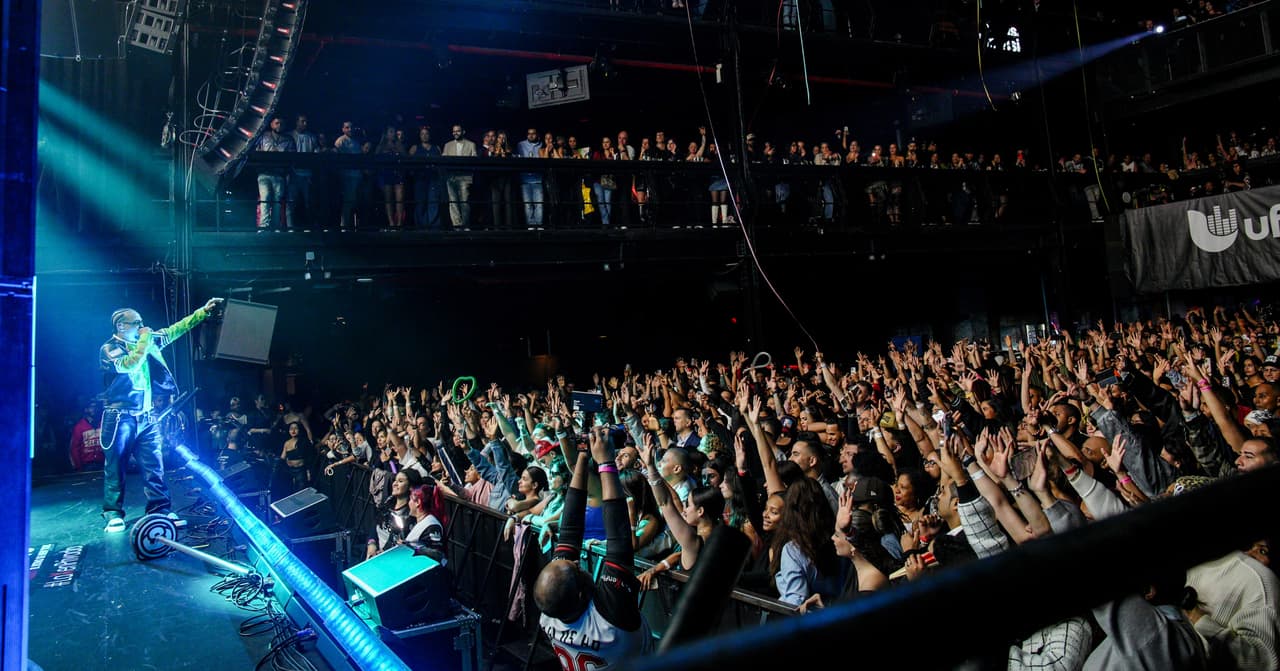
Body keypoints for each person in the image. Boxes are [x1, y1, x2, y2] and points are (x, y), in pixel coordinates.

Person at [99, 297, 224, 532]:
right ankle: (113, 513)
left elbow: (176, 329)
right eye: (137, 322)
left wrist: (203, 312)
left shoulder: (146, 341)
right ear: (121, 326)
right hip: (120, 417)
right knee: (116, 466)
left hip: (146, 417)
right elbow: (130, 364)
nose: (143, 325)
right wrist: (146, 339)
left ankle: (160, 510)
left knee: (154, 466)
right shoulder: (109, 348)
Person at [534, 425, 652, 670]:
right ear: (579, 593)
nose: (575, 561)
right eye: (575, 569)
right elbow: (620, 540)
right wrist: (606, 462)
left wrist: (583, 457)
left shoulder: (549, 615)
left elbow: (568, 533)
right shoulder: (609, 620)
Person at [70, 399, 104, 472]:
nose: (94, 409)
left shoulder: (104, 423)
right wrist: (78, 466)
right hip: (87, 465)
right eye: (91, 407)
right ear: (86, 409)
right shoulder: (79, 427)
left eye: (95, 407)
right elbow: (75, 448)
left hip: (103, 463)